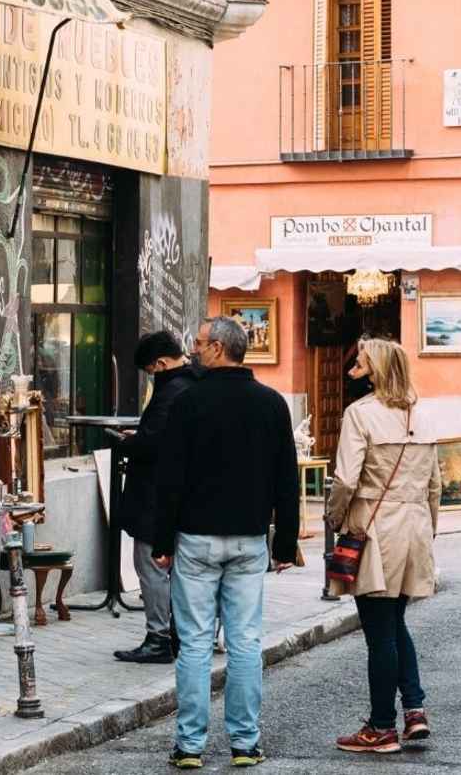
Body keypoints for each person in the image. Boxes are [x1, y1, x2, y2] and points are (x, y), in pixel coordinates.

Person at [152, 317, 300, 769]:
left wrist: (162, 540)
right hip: (249, 539)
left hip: (195, 538)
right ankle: (244, 743)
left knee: (195, 644)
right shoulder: (272, 404)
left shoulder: (188, 402)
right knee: (245, 641)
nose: (193, 350)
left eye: (199, 343)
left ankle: (190, 746)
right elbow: (286, 480)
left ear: (218, 348)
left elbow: (169, 478)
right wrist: (284, 544)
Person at [326, 339, 441, 754]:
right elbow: (435, 484)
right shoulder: (422, 414)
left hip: (375, 528)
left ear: (374, 368)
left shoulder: (360, 415)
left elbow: (346, 479)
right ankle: (414, 711)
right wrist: (430, 530)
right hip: (414, 527)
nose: (355, 363)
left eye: (361, 360)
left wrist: (336, 519)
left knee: (379, 633)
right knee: (395, 622)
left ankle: (380, 727)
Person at [114, 330, 202, 664]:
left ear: (161, 363)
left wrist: (129, 442)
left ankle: (159, 637)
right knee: (175, 569)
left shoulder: (172, 391)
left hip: (155, 496)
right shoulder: (194, 383)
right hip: (182, 495)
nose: (152, 377)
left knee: (151, 566)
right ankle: (182, 633)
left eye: (151, 371)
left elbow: (157, 444)